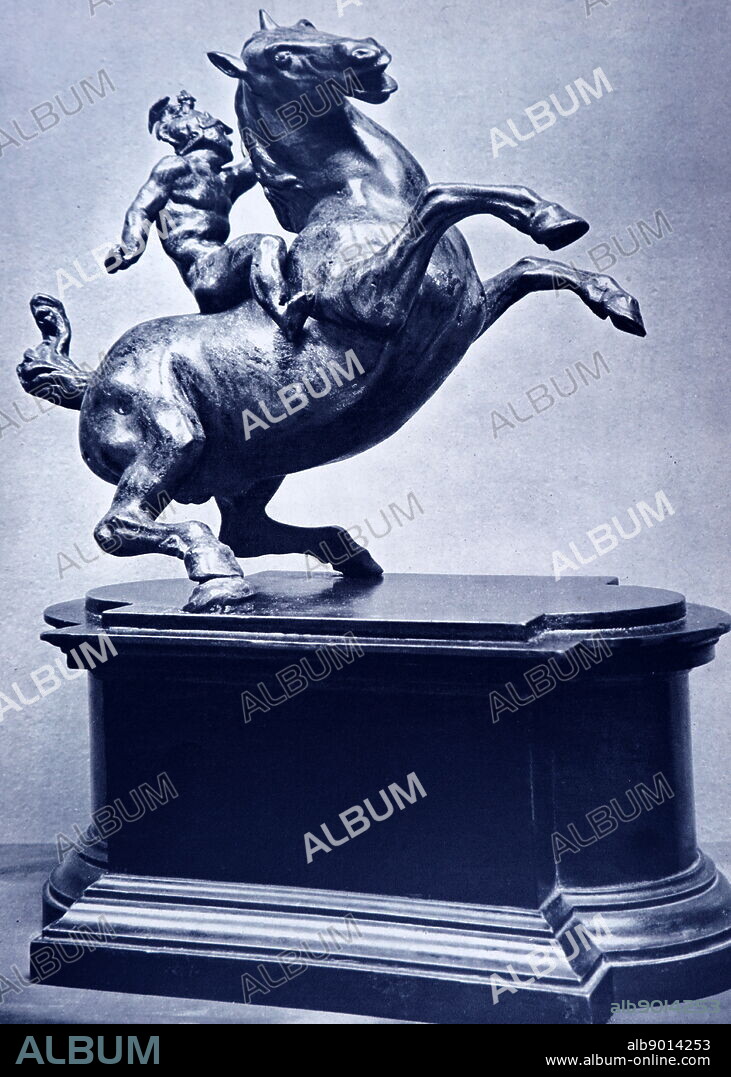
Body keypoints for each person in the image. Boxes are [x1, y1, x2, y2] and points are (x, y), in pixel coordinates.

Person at [105, 92, 312, 339]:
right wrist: (130, 248)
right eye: (219, 128)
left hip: (224, 266)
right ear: (196, 134)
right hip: (205, 273)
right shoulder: (174, 167)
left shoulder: (226, 180)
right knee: (266, 244)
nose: (228, 134)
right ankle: (284, 313)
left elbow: (261, 154)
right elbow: (141, 210)